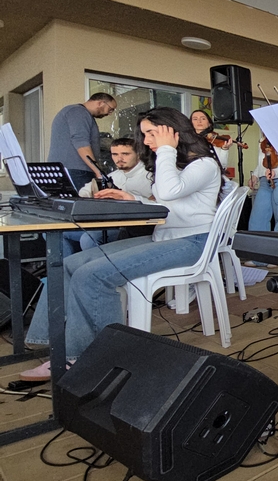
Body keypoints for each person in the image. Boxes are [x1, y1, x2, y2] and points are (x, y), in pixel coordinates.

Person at [21, 107, 222, 381]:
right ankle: (54, 344)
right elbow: (170, 206)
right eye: (144, 135)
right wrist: (134, 199)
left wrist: (166, 150)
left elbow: (169, 192)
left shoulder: (204, 164)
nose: (147, 141)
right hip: (165, 237)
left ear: (173, 131)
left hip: (192, 242)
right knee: (69, 264)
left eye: (152, 133)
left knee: (93, 276)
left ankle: (98, 358)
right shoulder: (174, 163)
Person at [65, 138, 154, 256]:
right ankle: (68, 267)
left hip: (137, 228)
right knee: (58, 233)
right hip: (111, 224)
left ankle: (95, 267)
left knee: (89, 239)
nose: (119, 158)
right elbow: (84, 191)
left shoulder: (150, 175)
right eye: (115, 154)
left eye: (125, 154)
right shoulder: (114, 175)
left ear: (138, 154)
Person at [48, 93, 118, 190]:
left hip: (66, 170)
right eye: (110, 109)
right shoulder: (79, 112)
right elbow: (81, 142)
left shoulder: (74, 112)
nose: (110, 113)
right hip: (76, 171)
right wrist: (98, 170)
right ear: (101, 103)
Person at [248, 136, 278, 234]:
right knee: (257, 221)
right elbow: (262, 163)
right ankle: (258, 244)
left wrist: (276, 172)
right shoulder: (262, 140)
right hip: (265, 181)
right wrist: (255, 175)